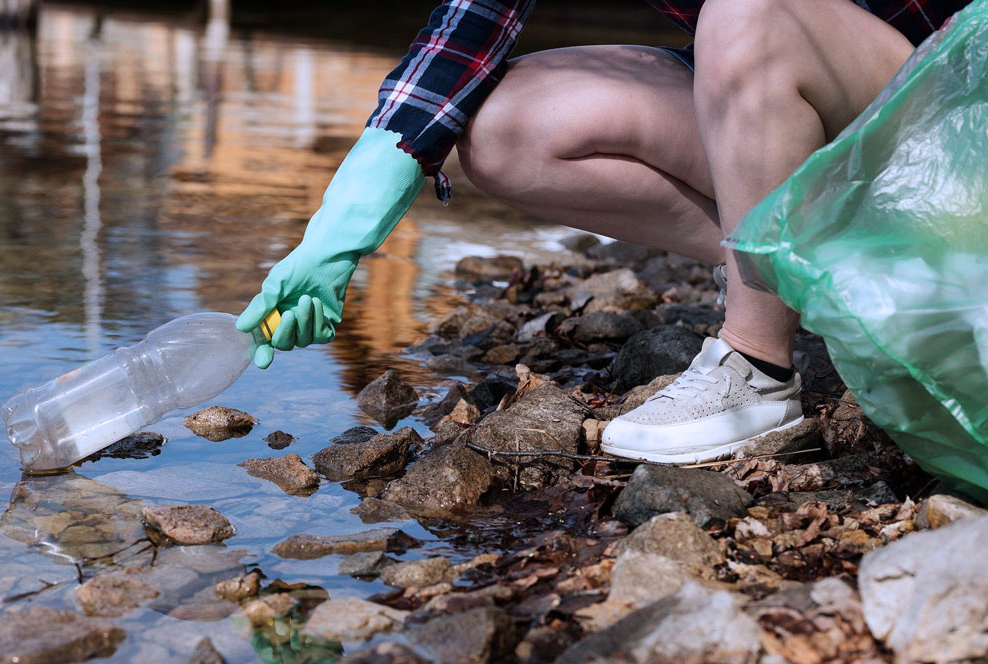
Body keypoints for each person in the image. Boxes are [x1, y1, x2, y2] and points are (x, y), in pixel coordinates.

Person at [237, 0, 969, 464]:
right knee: (503, 126)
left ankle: (757, 369)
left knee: (748, 11)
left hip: (958, 131)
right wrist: (346, 217)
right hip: (825, 107)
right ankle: (791, 266)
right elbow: (471, 22)